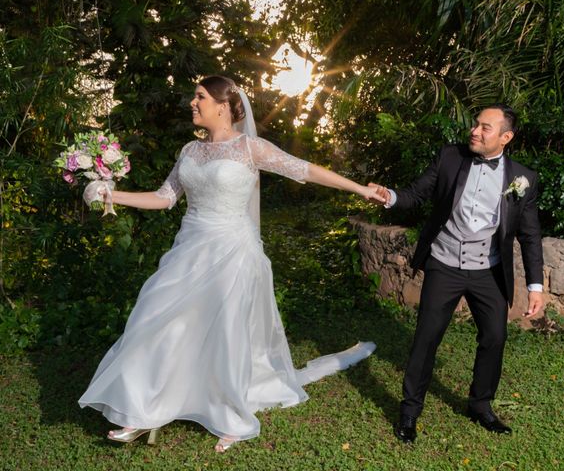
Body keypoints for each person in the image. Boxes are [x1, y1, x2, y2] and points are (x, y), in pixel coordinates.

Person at [78, 75, 382, 452]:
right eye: (194, 96)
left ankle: (232, 416)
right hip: (189, 251)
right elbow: (164, 197)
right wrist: (113, 194)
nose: (193, 102)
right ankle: (142, 412)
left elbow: (304, 169)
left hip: (233, 252)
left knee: (226, 334)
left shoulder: (249, 148)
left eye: (200, 96)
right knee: (158, 321)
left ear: (222, 106)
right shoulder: (189, 151)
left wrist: (360, 188)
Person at [368, 104, 544, 442]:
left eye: (485, 128)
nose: (474, 132)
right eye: (475, 125)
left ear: (505, 137)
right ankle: (409, 412)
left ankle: (480, 405)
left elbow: (530, 235)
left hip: (488, 271)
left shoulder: (523, 179)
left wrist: (535, 286)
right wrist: (388, 196)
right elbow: (415, 194)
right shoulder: (450, 157)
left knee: (494, 337)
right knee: (426, 337)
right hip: (444, 264)